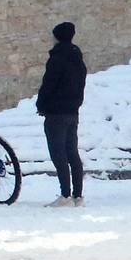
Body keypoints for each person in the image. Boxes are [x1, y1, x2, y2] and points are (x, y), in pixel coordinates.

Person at [37, 21, 87, 207]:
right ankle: (78, 195)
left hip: (56, 112)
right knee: (72, 153)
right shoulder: (78, 59)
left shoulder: (57, 59)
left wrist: (41, 104)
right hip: (73, 111)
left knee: (58, 154)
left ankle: (65, 194)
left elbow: (48, 85)